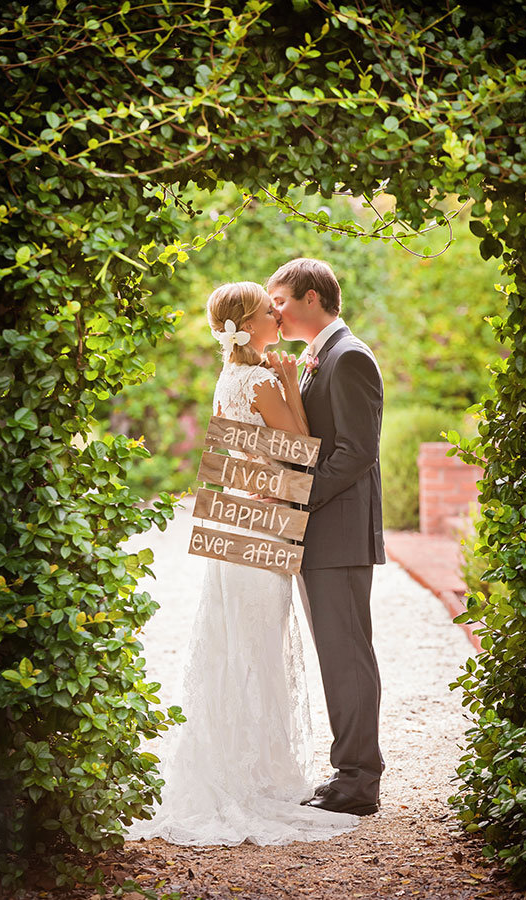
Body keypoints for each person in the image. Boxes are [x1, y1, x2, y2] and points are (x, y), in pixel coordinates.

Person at [126, 281, 360, 846]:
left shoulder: (226, 379)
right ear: (248, 324)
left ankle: (233, 771)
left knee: (233, 648)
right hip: (261, 531)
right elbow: (300, 449)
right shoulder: (259, 379)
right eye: (267, 310)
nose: (277, 316)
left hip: (235, 527)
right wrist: (287, 384)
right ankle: (251, 781)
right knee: (257, 652)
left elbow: (239, 454)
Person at [266, 258, 386, 817]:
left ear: (312, 298)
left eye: (282, 300)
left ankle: (359, 782)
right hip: (319, 533)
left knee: (346, 657)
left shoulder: (350, 356)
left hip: (337, 533)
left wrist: (297, 494)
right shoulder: (319, 358)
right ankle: (348, 772)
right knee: (335, 655)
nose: (274, 311)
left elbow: (357, 453)